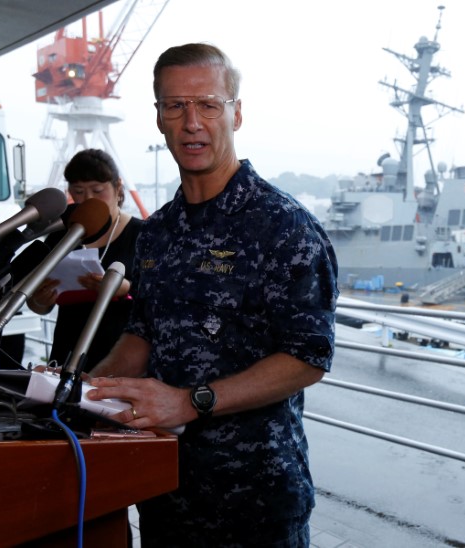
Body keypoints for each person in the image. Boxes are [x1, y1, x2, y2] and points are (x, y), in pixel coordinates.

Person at [85, 43, 339, 547]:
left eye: (207, 104)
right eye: (175, 106)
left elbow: (308, 357)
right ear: (158, 117)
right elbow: (143, 334)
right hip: (164, 489)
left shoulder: (283, 227)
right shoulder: (159, 231)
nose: (191, 123)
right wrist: (89, 387)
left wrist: (190, 401)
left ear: (236, 113)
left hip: (254, 503)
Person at [26, 149, 142, 372]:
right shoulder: (61, 234)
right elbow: (36, 304)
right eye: (78, 191)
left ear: (118, 187)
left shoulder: (142, 234)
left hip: (121, 356)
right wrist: (41, 299)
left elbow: (161, 299)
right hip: (67, 353)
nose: (88, 199)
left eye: (97, 191)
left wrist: (124, 288)